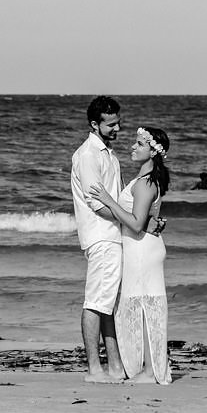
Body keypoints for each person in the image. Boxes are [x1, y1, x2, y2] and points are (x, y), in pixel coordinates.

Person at [90, 126, 172, 384]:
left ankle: (150, 371)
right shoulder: (143, 179)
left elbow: (136, 224)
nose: (133, 147)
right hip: (141, 247)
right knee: (141, 307)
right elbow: (143, 219)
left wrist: (108, 200)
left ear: (153, 152)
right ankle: (148, 367)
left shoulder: (146, 183)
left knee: (145, 308)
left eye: (139, 144)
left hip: (142, 250)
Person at [70, 96, 127, 383]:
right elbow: (98, 204)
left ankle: (115, 366)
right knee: (95, 302)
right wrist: (131, 220)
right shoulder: (88, 155)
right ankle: (94, 368)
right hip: (102, 236)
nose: (117, 128)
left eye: (118, 123)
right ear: (95, 124)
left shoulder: (108, 154)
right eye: (111, 124)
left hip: (112, 235)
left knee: (107, 302)